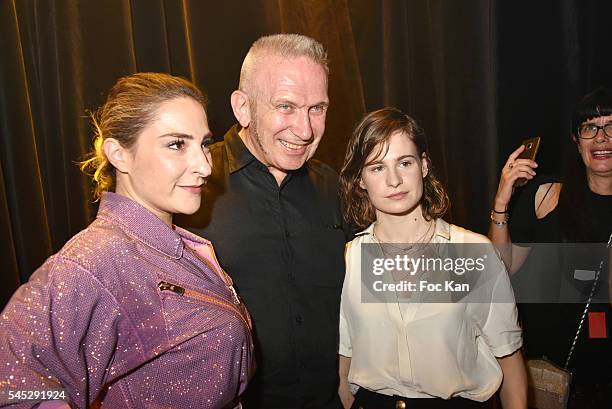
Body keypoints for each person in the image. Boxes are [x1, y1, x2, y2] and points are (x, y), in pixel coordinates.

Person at [0, 73, 253, 408]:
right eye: (177, 144)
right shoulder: (95, 260)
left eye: (203, 143)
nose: (205, 165)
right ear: (119, 154)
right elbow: (12, 388)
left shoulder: (177, 245)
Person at [178, 34, 349, 408]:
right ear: (243, 107)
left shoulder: (336, 188)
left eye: (317, 108)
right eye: (286, 106)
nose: (304, 130)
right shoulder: (191, 188)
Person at [338, 108, 527, 408]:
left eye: (404, 162)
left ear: (423, 166)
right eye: (377, 167)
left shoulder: (472, 252)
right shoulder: (352, 256)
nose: (394, 180)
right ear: (360, 179)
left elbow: (510, 359)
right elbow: (345, 363)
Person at [488, 88, 612, 407]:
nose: (601, 137)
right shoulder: (547, 196)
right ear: (576, 139)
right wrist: (502, 200)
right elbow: (500, 268)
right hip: (550, 374)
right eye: (590, 127)